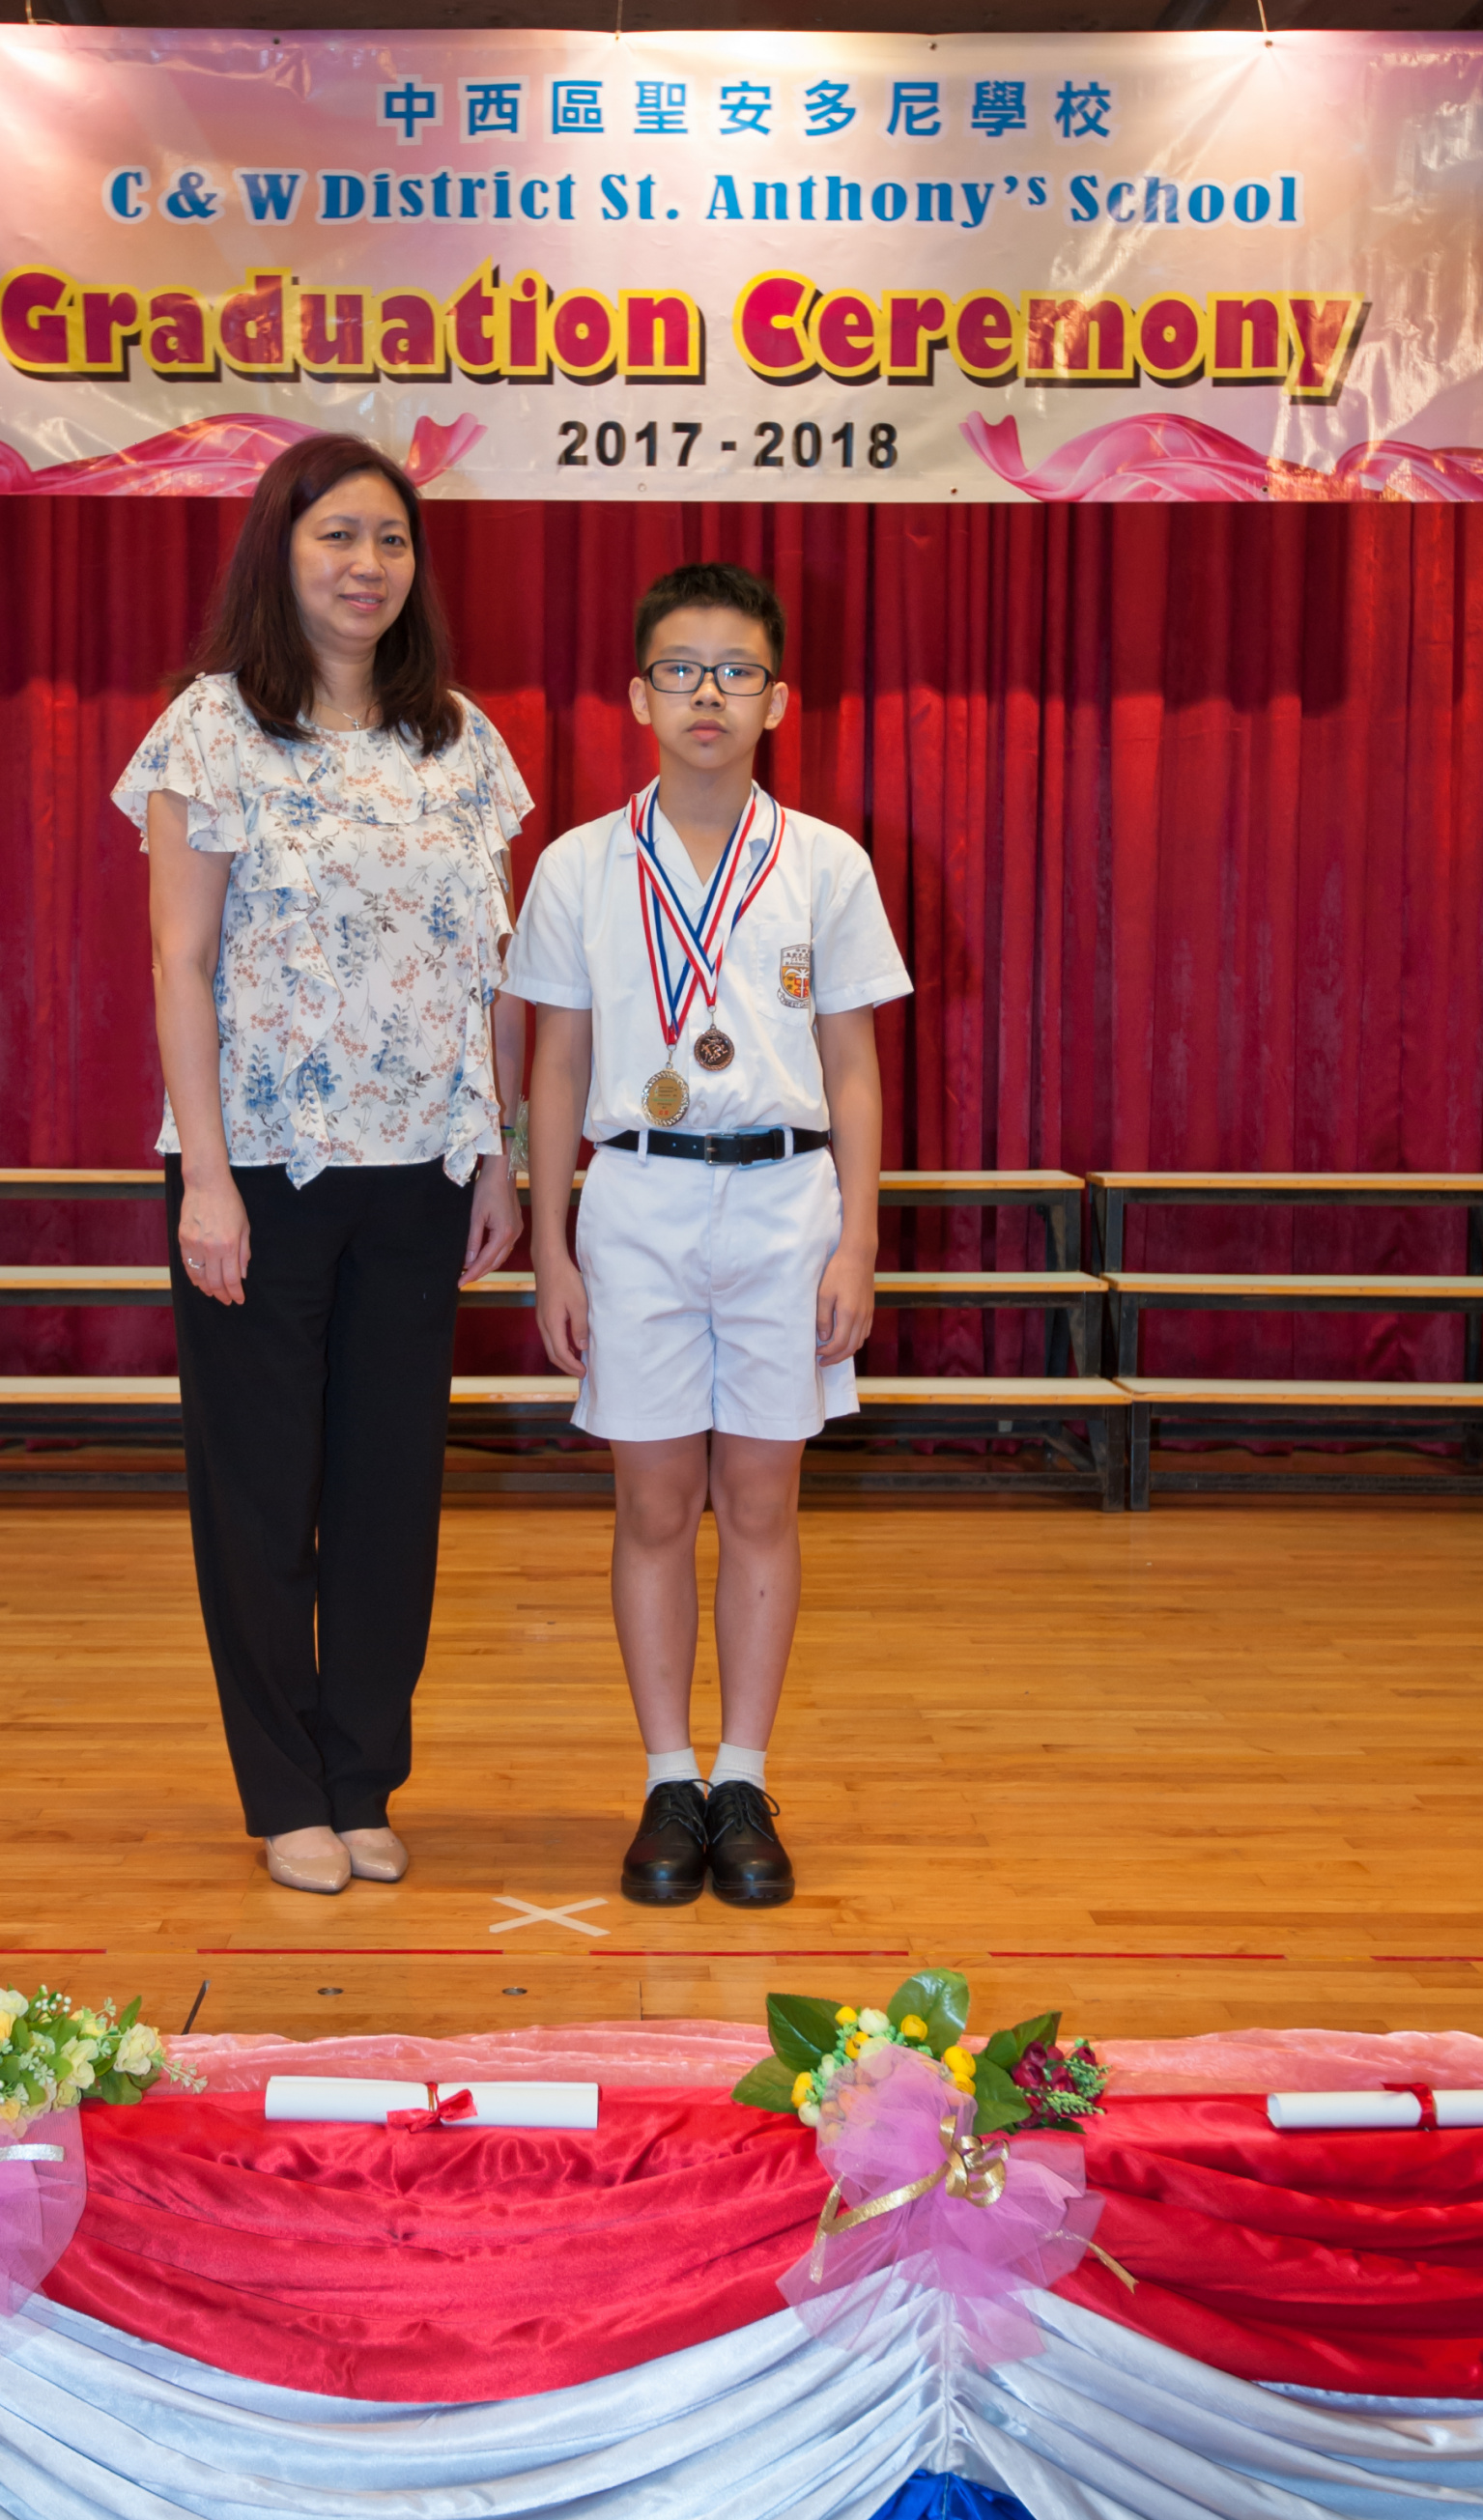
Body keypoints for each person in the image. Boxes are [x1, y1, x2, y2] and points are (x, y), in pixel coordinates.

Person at [112, 434, 528, 1896]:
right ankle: (285, 1788)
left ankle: (364, 1778)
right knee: (260, 1488)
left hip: (422, 1173)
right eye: (337, 535)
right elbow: (179, 962)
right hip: (263, 1173)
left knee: (388, 1492)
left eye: (391, 540)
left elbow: (491, 970)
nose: (367, 565)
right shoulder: (211, 729)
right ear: (279, 552)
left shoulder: (458, 741)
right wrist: (206, 1179)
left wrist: (498, 1152)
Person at [506, 562, 911, 1909]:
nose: (708, 695)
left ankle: (743, 1777)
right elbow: (555, 1065)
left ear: (777, 701)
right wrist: (554, 1245)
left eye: (736, 672)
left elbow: (852, 1066)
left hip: (787, 1204)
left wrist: (857, 1242)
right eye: (680, 669)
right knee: (653, 1503)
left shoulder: (826, 862)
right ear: (637, 695)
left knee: (761, 1501)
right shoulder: (578, 863)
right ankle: (666, 1779)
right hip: (637, 1201)